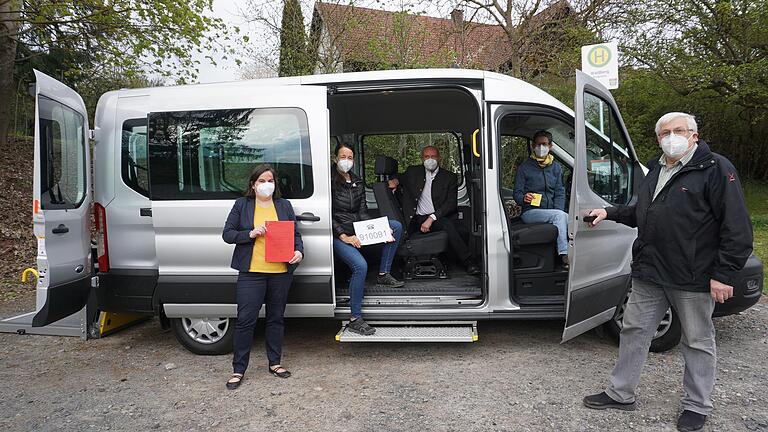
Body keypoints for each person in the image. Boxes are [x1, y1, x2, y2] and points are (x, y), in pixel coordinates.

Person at [582, 113, 753, 432]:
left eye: (678, 131)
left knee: (698, 340)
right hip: (650, 272)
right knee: (633, 331)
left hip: (693, 276)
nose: (671, 136)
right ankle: (621, 393)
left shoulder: (715, 168)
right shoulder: (657, 168)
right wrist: (610, 212)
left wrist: (724, 274)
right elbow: (643, 212)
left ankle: (696, 405)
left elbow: (737, 226)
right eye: (665, 133)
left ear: (694, 135)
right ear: (658, 138)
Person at [221, 164, 304, 390]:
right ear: (253, 184)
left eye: (270, 180)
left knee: (276, 319)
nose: (267, 184)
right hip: (252, 273)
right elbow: (227, 234)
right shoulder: (242, 205)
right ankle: (238, 369)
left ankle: (275, 363)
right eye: (262, 181)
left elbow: (295, 234)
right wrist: (250, 233)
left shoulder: (284, 205)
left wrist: (299, 251)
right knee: (246, 321)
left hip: (279, 272)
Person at [332, 142, 404, 336]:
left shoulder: (357, 181)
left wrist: (378, 229)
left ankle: (383, 274)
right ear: (335, 158)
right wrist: (344, 236)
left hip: (357, 230)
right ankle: (355, 318)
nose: (346, 161)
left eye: (350, 158)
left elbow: (362, 212)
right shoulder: (329, 181)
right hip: (339, 235)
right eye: (342, 157)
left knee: (394, 227)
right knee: (360, 266)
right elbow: (328, 214)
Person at [388, 145, 479, 275]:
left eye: (433, 156)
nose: (430, 160)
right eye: (426, 157)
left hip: (438, 218)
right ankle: (396, 265)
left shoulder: (449, 177)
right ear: (422, 158)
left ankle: (468, 261)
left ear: (439, 158)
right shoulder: (413, 172)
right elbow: (399, 177)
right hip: (415, 219)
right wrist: (395, 181)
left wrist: (432, 218)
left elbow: (451, 204)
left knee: (453, 227)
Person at [512, 130, 569, 269]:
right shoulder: (524, 168)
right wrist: (524, 198)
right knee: (560, 216)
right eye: (537, 144)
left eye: (544, 144)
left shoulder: (556, 167)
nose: (540, 147)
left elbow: (560, 192)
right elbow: (517, 194)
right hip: (531, 212)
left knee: (569, 217)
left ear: (550, 146)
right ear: (533, 146)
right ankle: (564, 254)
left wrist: (557, 211)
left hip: (552, 212)